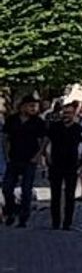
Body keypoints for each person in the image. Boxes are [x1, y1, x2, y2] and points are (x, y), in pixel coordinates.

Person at [2, 95, 48, 228]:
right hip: (14, 158)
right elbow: (5, 138)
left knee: (26, 189)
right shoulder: (12, 120)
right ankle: (10, 212)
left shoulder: (38, 122)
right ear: (23, 107)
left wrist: (38, 155)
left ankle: (23, 217)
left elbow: (44, 140)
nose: (34, 109)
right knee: (7, 188)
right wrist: (6, 155)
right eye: (31, 106)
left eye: (35, 106)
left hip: (30, 159)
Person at [45, 102, 82, 230]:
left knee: (70, 196)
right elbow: (46, 143)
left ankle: (67, 223)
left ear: (74, 114)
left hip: (71, 165)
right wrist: (46, 159)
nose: (66, 115)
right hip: (56, 164)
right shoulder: (54, 127)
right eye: (64, 113)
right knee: (55, 195)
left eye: (69, 113)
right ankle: (55, 222)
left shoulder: (79, 130)